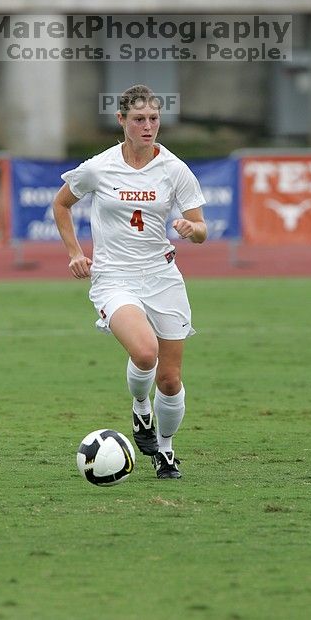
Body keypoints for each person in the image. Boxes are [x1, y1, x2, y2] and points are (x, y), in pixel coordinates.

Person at [53, 84, 207, 479]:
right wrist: (74, 252)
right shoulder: (98, 167)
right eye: (139, 119)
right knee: (144, 352)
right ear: (121, 121)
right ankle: (141, 409)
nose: (148, 126)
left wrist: (192, 229)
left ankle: (166, 450)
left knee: (171, 381)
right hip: (114, 278)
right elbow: (61, 204)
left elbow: (202, 229)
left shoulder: (174, 169)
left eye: (154, 119)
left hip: (162, 277)